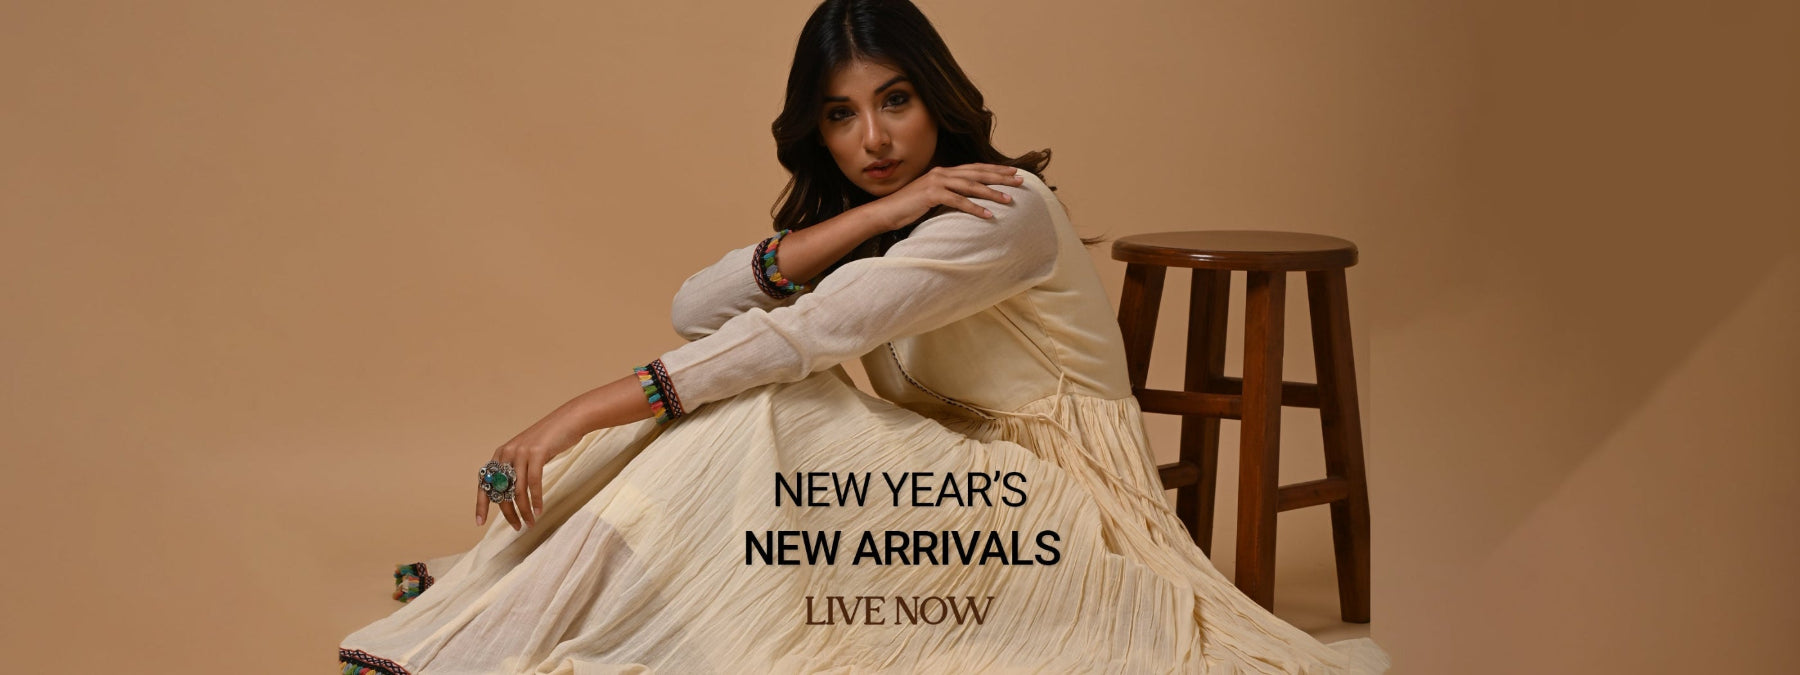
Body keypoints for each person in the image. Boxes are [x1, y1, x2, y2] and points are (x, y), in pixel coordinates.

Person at [337, 1, 1393, 672]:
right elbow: (697, 308)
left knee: (757, 403)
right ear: (817, 127)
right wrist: (874, 214)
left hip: (1056, 499)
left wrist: (572, 413)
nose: (875, 139)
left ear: (938, 96)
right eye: (842, 116)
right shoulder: (894, 216)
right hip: (938, 464)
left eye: (895, 102)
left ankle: (517, 614)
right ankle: (520, 597)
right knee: (746, 399)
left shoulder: (999, 209)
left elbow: (798, 339)